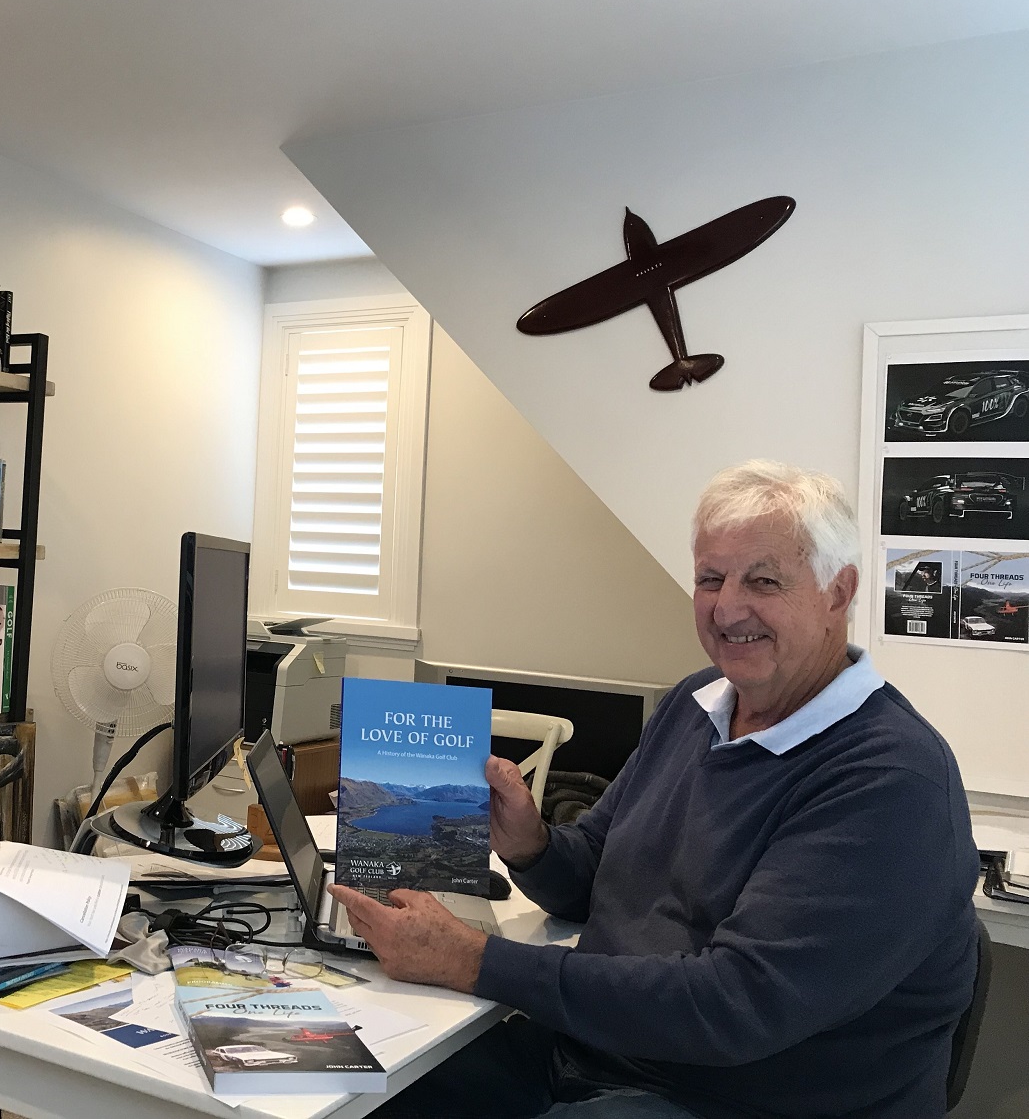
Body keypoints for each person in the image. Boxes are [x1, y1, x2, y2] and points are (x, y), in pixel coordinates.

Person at [332, 460, 979, 1118]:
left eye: (762, 580)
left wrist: (474, 961)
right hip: (597, 1054)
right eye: (709, 578)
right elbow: (594, 879)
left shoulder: (887, 781)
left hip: (730, 1097)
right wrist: (530, 844)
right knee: (351, 1092)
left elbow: (732, 1007)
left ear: (836, 593)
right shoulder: (696, 701)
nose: (727, 607)